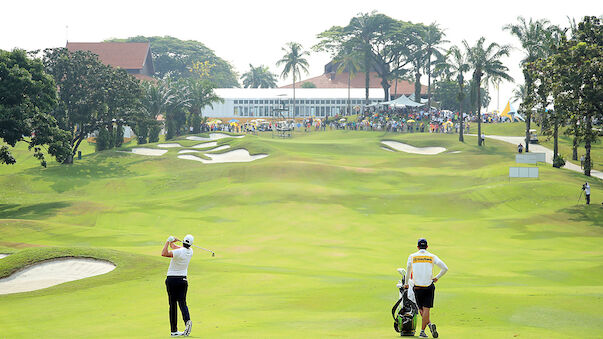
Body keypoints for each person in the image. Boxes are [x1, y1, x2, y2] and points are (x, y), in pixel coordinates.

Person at [404, 238, 448, 338]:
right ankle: (425, 329)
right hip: (429, 287)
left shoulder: (412, 256)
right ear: (427, 247)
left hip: (417, 287)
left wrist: (406, 284)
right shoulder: (432, 256)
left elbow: (408, 271)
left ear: (418, 247)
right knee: (426, 310)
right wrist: (437, 277)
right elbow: (445, 268)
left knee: (421, 310)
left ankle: (426, 328)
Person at [162, 235, 194, 337]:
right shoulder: (190, 251)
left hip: (171, 280)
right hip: (183, 280)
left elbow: (164, 253)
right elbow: (175, 247)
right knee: (182, 302)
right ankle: (187, 321)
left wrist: (168, 241)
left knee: (172, 305)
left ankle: (174, 331)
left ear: (183, 241)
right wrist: (173, 241)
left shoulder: (179, 252)